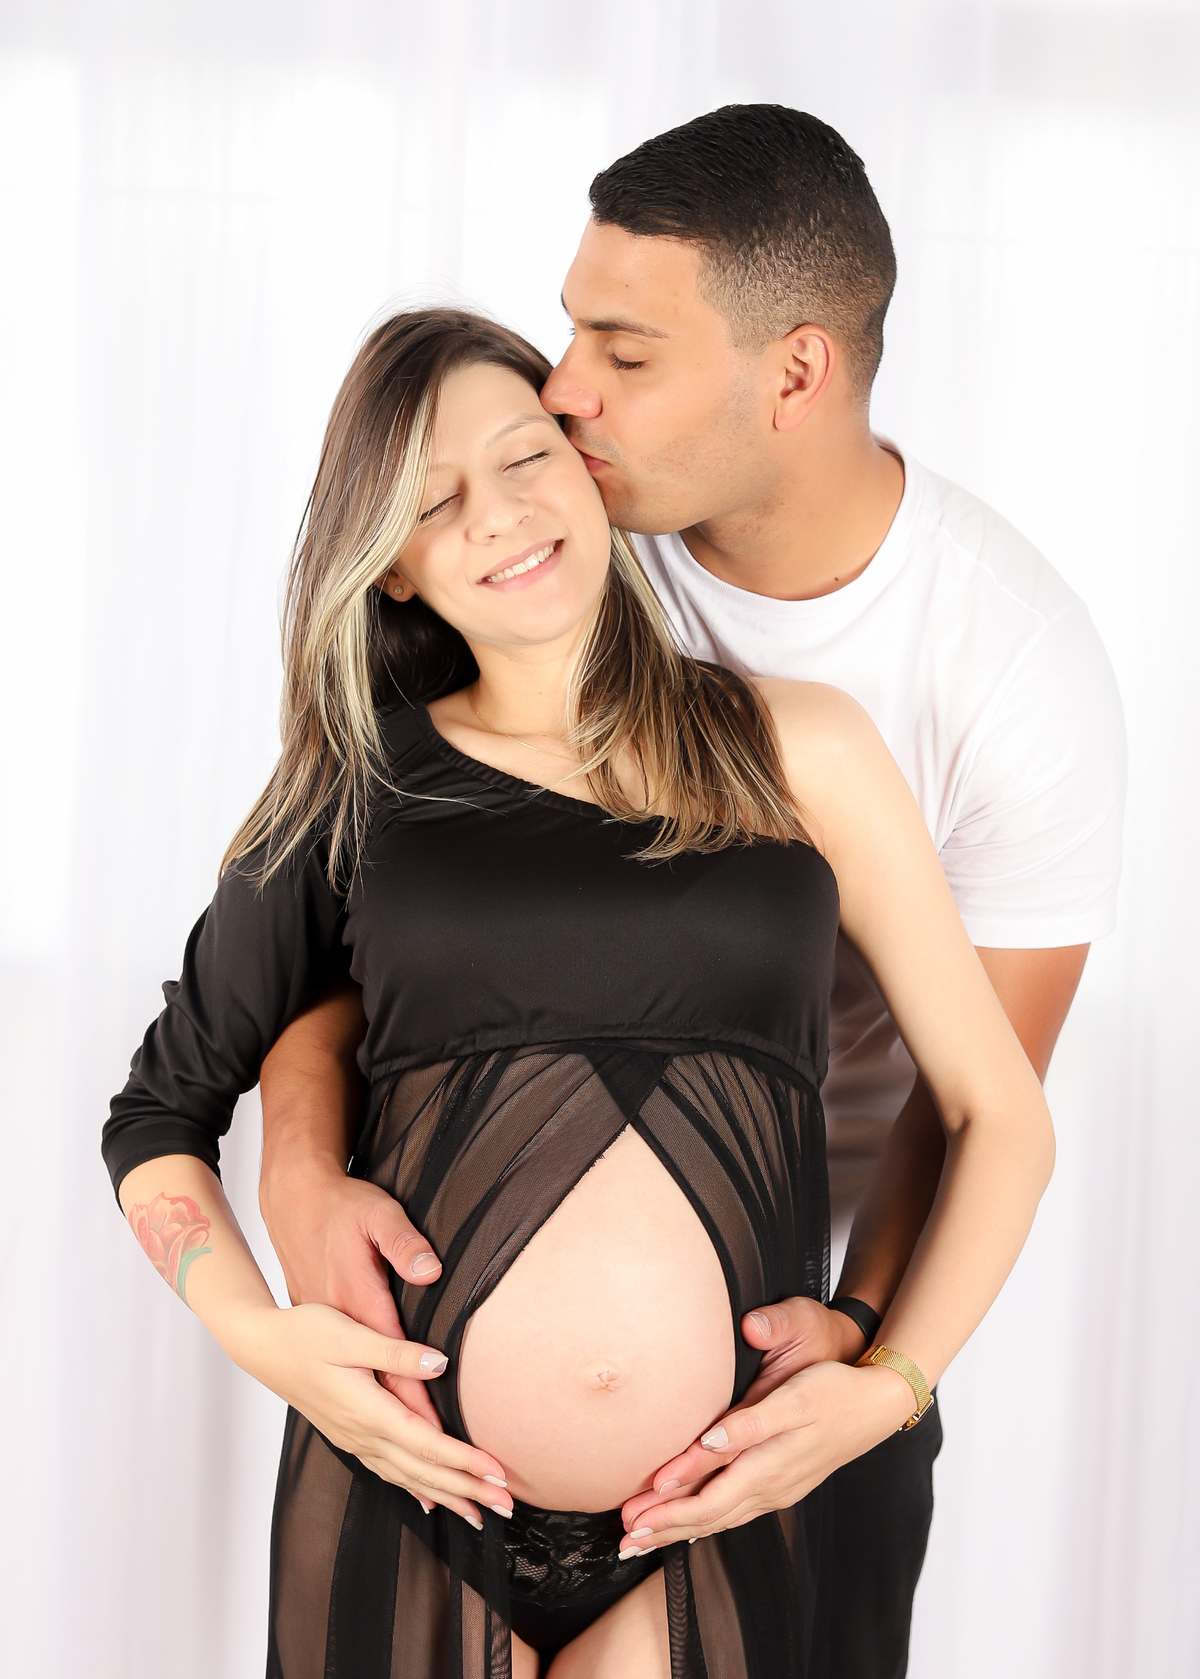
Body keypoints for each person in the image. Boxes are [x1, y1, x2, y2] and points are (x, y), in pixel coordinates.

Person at [256, 107, 1126, 1677]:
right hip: (444, 1388)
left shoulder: (1010, 668)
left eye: (625, 350)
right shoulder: (557, 534)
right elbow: (361, 928)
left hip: (801, 1331)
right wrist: (302, 1173)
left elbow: (978, 1099)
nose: (562, 390)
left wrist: (870, 1350)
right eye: (571, 328)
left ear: (795, 374)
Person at [105, 309, 1055, 1678]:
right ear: (391, 569)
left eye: (523, 456)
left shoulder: (802, 748)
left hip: (738, 1499)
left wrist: (888, 1386)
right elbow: (159, 1115)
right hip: (410, 1493)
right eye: (433, 502)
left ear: (586, 465)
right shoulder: (351, 788)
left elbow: (1000, 1118)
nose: (497, 515)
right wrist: (264, 1341)